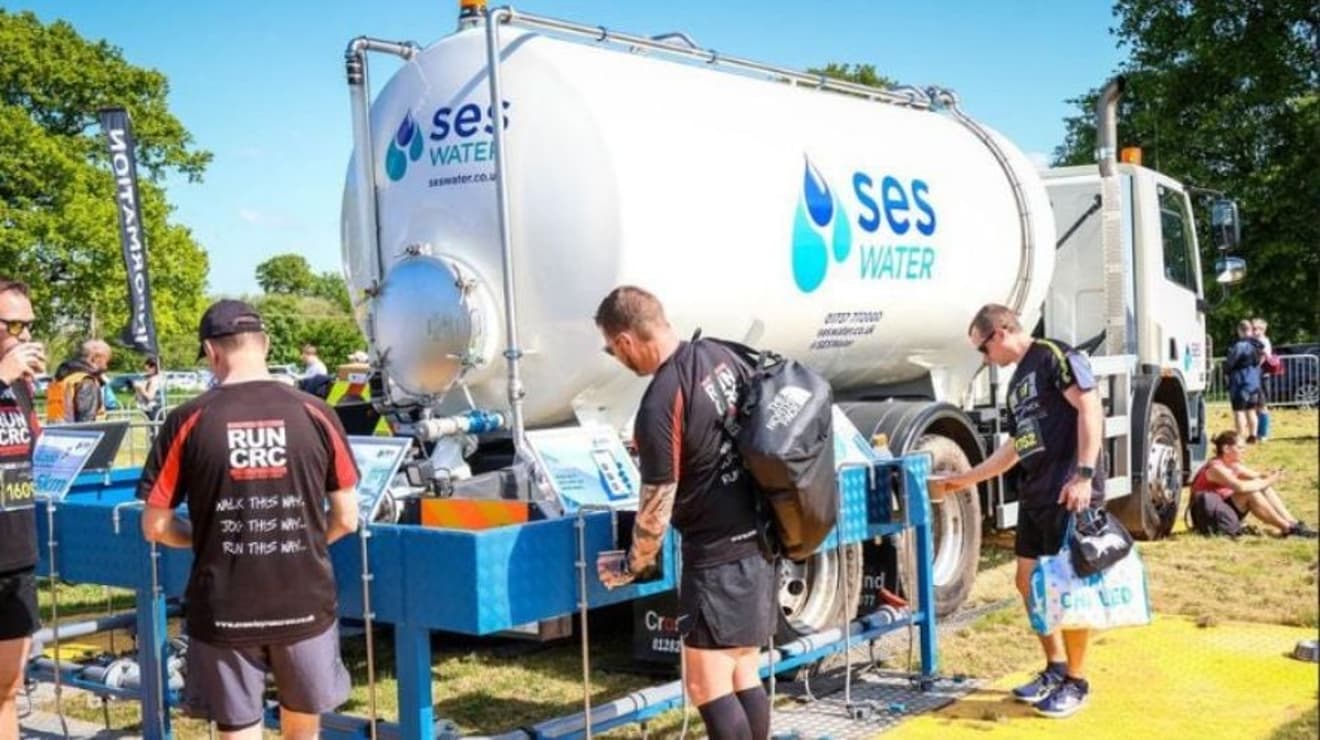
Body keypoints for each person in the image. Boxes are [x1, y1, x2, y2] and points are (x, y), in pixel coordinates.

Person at [138, 300, 360, 739]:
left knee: (238, 729)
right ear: (266, 343)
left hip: (226, 605)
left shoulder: (188, 419)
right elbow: (347, 518)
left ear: (211, 350)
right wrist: (304, 540)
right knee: (303, 728)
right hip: (304, 600)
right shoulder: (317, 412)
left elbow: (156, 526)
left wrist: (204, 538)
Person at [594, 286, 775, 740]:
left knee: (705, 683)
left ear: (625, 342)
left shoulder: (660, 403)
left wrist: (632, 564)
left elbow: (657, 502)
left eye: (611, 349)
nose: (617, 358)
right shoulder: (721, 356)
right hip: (759, 536)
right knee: (742, 672)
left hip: (715, 556)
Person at [929, 304, 1104, 719]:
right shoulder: (1016, 384)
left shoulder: (1053, 356)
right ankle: (1055, 667)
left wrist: (1083, 475)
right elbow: (1016, 446)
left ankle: (1077, 682)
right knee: (1027, 582)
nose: (984, 360)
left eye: (982, 349)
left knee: (1069, 588)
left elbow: (1090, 408)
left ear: (1001, 332)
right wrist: (964, 479)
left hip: (1068, 492)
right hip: (1036, 494)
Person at [0, 278, 45, 740]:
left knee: (8, 688)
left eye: (30, 325)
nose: (26, 335)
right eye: (14, 324)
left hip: (16, 554)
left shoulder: (20, 386)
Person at [1190, 431, 1315, 538]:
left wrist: (1271, 475)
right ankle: (1287, 528)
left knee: (1262, 486)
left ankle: (1292, 522)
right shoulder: (1216, 469)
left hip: (1222, 510)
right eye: (1240, 448)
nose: (1244, 451)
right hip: (1207, 517)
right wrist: (1269, 480)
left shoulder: (1233, 465)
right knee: (1251, 492)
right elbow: (1240, 487)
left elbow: (1258, 477)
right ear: (1226, 449)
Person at [46, 339, 112, 423]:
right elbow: (86, 422)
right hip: (77, 434)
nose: (106, 367)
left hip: (56, 432)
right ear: (95, 358)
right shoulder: (86, 381)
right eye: (107, 362)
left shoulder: (60, 379)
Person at [1224, 320, 1264, 443]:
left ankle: (1240, 437)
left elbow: (1231, 362)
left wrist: (1225, 371)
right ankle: (1253, 435)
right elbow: (1259, 361)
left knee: (1239, 411)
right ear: (1251, 330)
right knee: (1251, 410)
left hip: (1240, 381)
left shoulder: (1239, 346)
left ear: (1240, 331)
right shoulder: (1257, 345)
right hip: (1254, 381)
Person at [1251, 318, 1274, 442]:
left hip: (1262, 376)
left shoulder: (1263, 341)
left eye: (1256, 329)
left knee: (1262, 406)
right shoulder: (1255, 341)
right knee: (1255, 405)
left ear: (1262, 330)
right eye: (1253, 329)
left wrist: (1255, 367)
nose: (1254, 331)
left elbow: (1264, 357)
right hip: (1256, 376)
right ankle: (1256, 432)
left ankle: (1263, 433)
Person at [132, 357, 164, 423]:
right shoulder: (149, 378)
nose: (146, 370)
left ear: (154, 367)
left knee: (155, 430)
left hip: (154, 409)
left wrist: (141, 389)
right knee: (153, 430)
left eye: (148, 368)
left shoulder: (155, 379)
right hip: (151, 409)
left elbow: (150, 397)